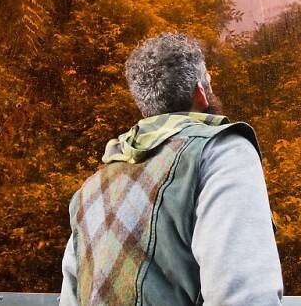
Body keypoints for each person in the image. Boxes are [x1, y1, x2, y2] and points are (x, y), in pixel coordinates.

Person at [59, 32, 283, 306]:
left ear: (147, 106)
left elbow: (71, 299)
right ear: (200, 92)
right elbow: (245, 296)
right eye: (209, 82)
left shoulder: (92, 187)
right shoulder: (222, 151)